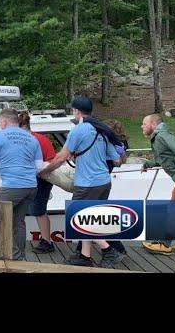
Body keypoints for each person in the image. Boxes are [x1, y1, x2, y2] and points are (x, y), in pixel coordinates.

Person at [39, 95, 123, 267]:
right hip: (103, 182)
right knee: (90, 219)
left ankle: (109, 250)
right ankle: (85, 256)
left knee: (78, 220)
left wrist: (45, 170)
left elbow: (61, 157)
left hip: (87, 184)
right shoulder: (101, 129)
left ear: (76, 111)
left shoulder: (78, 130)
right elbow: (116, 160)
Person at [0, 108, 41, 261]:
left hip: (11, 186)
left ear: (4, 121)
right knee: (18, 221)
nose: (0, 125)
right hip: (31, 187)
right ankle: (20, 255)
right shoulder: (32, 138)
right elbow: (39, 167)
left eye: (0, 122)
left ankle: (13, 256)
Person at [140, 113, 175, 254]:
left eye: (144, 124)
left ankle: (164, 244)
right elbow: (166, 158)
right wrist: (149, 164)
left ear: (153, 125)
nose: (142, 126)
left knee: (174, 209)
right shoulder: (160, 137)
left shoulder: (162, 136)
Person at [18, 112, 57, 254]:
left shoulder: (37, 139)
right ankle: (44, 240)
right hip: (32, 178)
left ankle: (46, 241)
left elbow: (51, 161)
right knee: (35, 209)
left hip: (41, 179)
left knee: (38, 209)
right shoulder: (40, 139)